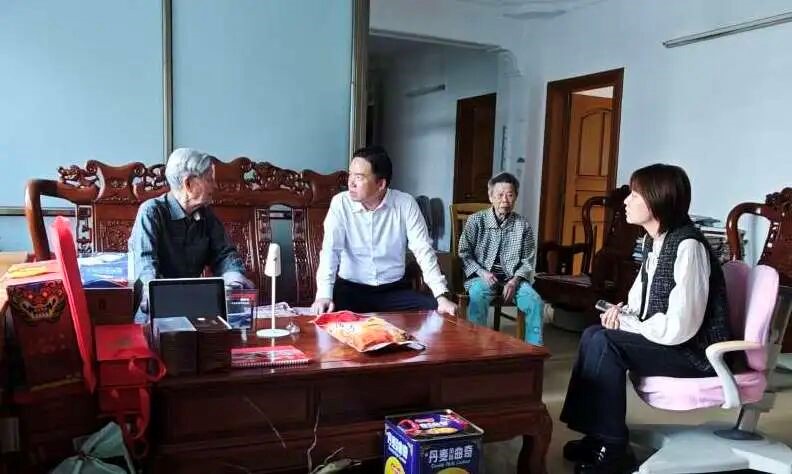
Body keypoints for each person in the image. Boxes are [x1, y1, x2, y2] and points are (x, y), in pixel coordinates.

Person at [559, 164, 732, 473]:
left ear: (656, 200)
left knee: (606, 343)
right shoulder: (654, 241)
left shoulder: (688, 246)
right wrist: (623, 314)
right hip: (671, 342)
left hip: (694, 353)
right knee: (593, 334)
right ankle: (596, 435)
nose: (626, 201)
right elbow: (640, 302)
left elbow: (681, 326)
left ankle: (613, 447)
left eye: (634, 195)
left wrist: (629, 324)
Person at [311, 146, 457, 315]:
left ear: (381, 184)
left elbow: (423, 250)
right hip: (351, 291)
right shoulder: (340, 203)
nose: (351, 183)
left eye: (359, 177)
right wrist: (323, 295)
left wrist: (441, 296)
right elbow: (330, 251)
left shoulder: (405, 204)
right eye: (350, 174)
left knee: (435, 312)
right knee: (329, 316)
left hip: (394, 291)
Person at [129, 148, 252, 311]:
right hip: (157, 309)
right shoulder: (151, 212)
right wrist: (157, 295)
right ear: (188, 184)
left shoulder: (206, 215)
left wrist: (234, 279)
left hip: (195, 306)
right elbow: (145, 266)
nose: (215, 186)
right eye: (209, 179)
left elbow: (224, 254)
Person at [457, 172, 544, 344]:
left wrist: (514, 281)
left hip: (513, 281)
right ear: (490, 197)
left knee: (535, 302)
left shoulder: (523, 225)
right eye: (500, 195)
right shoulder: (476, 221)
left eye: (510, 195)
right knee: (477, 296)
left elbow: (527, 260)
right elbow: (464, 253)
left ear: (515, 197)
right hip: (481, 278)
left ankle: (533, 352)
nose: (505, 200)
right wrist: (482, 272)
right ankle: (475, 348)